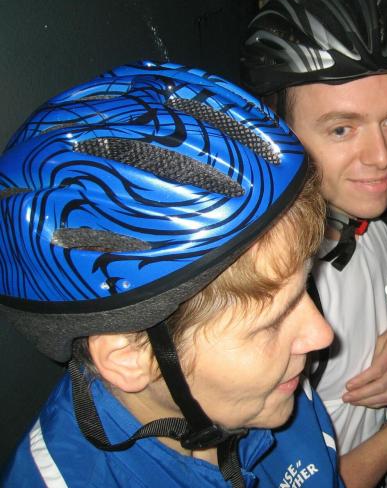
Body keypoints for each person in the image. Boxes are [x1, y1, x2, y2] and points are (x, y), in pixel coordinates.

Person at [0, 62, 344, 487]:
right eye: (271, 324)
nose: (321, 334)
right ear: (130, 356)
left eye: (303, 286)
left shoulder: (278, 386)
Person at [241, 0, 387, 487]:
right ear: (275, 134)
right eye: (342, 129)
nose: (382, 157)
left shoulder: (364, 222)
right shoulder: (272, 288)